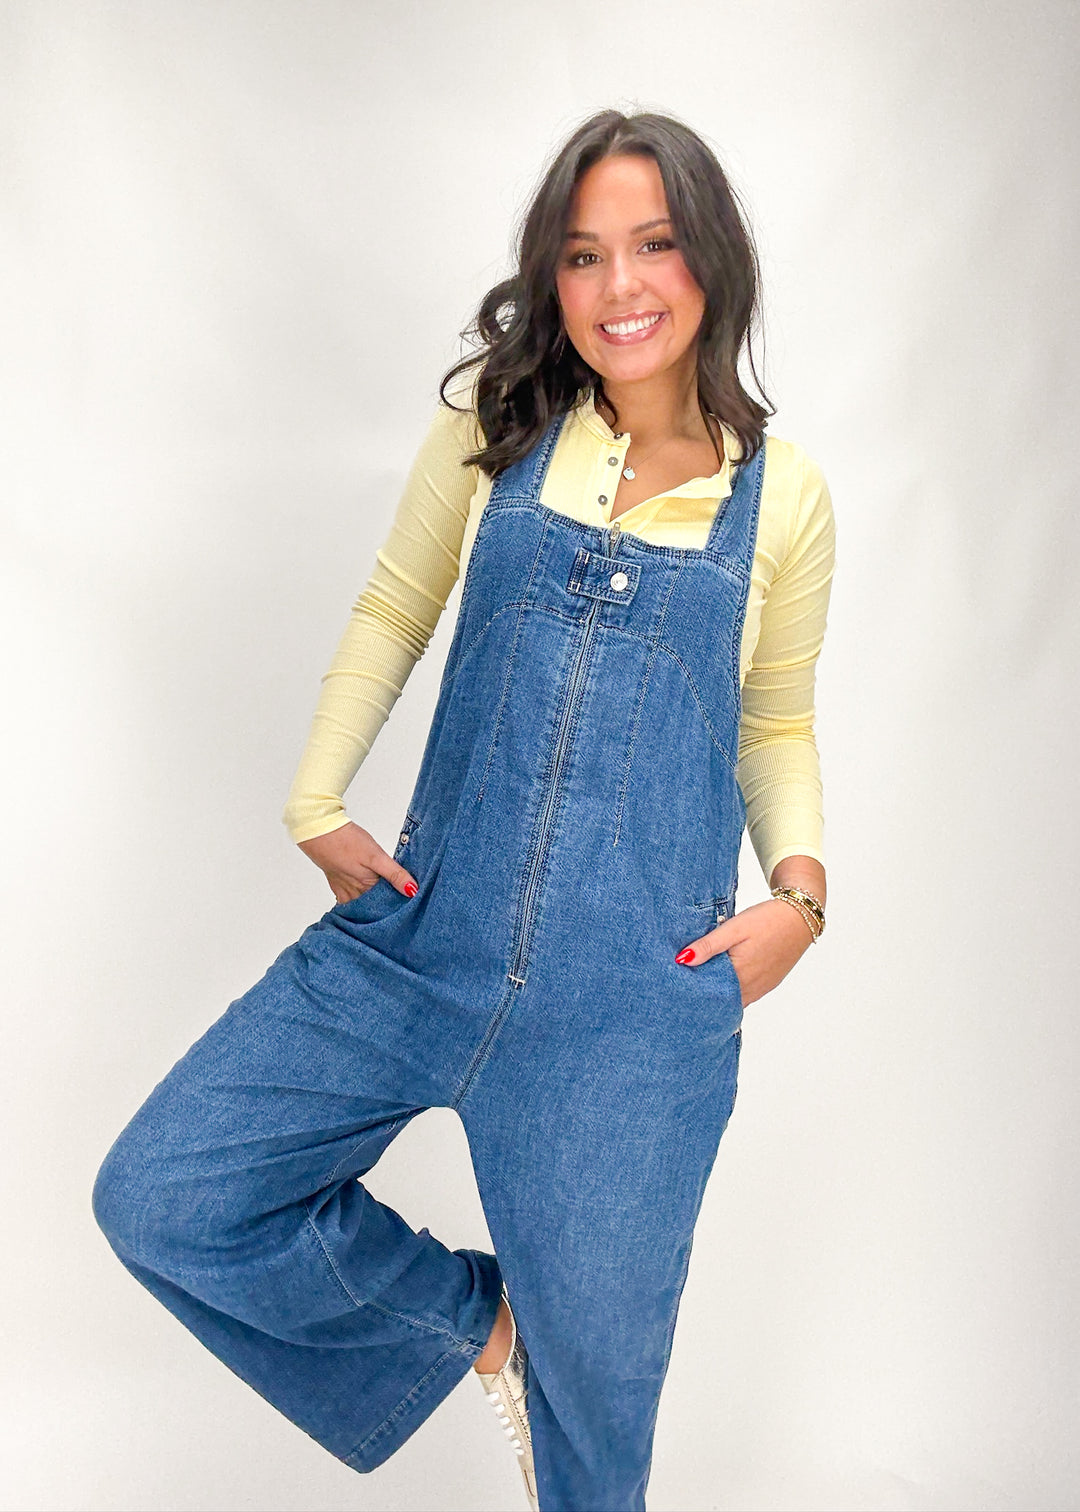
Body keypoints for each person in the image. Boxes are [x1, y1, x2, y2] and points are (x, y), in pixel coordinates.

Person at [92, 108, 835, 1512]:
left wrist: (800, 893)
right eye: (584, 254)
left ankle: (555, 1366)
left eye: (654, 245)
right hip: (422, 947)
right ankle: (483, 1325)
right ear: (552, 277)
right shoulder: (497, 429)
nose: (620, 285)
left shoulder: (783, 500)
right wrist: (315, 801)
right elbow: (395, 608)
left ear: (712, 260)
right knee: (169, 1193)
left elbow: (776, 718)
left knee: (595, 1444)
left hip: (630, 1012)